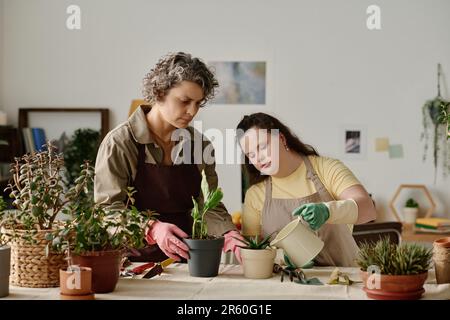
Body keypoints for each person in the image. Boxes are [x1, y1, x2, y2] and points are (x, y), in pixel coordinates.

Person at [94, 52, 243, 262]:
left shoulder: (200, 144)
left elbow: (209, 203)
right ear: (159, 92)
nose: (192, 112)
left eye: (198, 104)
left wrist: (228, 232)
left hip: (187, 258)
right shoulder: (120, 143)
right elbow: (107, 210)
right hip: (131, 262)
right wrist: (152, 228)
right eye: (184, 101)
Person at [236, 113, 377, 267]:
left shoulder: (326, 168)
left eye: (262, 147)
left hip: (344, 279)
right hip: (289, 283)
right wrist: (280, 258)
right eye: (250, 155)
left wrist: (328, 211)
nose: (258, 158)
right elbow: (252, 253)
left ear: (282, 139)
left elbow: (368, 209)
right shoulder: (255, 195)